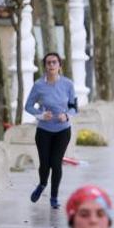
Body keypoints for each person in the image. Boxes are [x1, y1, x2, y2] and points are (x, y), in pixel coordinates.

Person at [25, 52, 78, 209]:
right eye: (48, 63)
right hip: (44, 131)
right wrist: (40, 115)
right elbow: (28, 106)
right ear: (45, 66)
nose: (51, 65)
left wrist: (66, 116)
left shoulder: (68, 85)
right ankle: (42, 184)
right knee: (44, 163)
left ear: (60, 66)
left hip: (62, 131)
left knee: (56, 163)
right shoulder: (39, 85)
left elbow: (74, 107)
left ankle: (54, 197)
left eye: (54, 62)